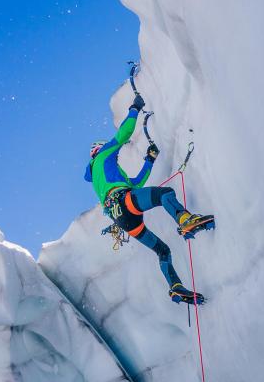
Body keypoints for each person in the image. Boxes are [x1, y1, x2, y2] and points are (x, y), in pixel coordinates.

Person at [84, 93, 214, 305]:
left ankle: (175, 287)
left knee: (162, 251)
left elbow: (135, 185)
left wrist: (149, 161)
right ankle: (185, 221)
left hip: (124, 220)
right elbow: (123, 134)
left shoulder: (103, 178)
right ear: (98, 150)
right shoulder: (103, 155)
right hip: (123, 201)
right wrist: (135, 108)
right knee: (165, 194)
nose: (115, 154)